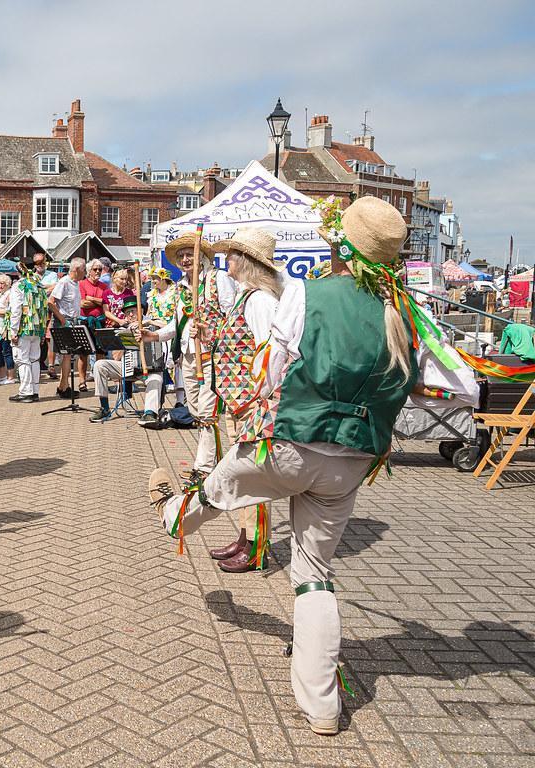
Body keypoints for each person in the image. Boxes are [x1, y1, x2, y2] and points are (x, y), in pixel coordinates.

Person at [147, 197, 478, 735]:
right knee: (313, 576)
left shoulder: (304, 292)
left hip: (289, 444)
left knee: (217, 488)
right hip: (350, 461)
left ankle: (172, 516)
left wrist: (230, 403)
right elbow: (463, 388)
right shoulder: (405, 313)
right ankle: (322, 706)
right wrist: (404, 387)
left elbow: (272, 371)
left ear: (337, 246)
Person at [203, 229, 283, 573]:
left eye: (233, 254)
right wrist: (208, 334)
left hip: (253, 403)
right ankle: (245, 536)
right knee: (244, 477)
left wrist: (261, 399)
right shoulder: (246, 297)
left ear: (247, 262)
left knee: (255, 477)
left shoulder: (262, 301)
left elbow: (272, 353)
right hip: (238, 401)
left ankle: (257, 547)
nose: (227, 260)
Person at [142, 233, 235, 475]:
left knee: (206, 412)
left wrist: (209, 331)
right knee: (195, 411)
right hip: (187, 356)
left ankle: (204, 468)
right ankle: (214, 461)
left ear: (202, 257)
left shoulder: (219, 279)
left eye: (189, 254)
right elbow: (177, 325)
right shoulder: (181, 287)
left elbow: (234, 318)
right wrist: (152, 336)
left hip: (211, 355)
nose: (185, 259)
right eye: (181, 256)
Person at [88, 295, 165, 423]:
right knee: (99, 365)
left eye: (133, 311)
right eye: (127, 312)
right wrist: (120, 341)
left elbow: (168, 327)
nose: (130, 314)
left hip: (150, 369)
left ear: (141, 311)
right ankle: (105, 408)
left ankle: (150, 413)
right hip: (128, 366)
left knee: (156, 378)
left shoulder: (152, 323)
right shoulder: (123, 328)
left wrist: (148, 322)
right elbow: (116, 357)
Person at [7, 257, 51, 403]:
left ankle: (26, 391)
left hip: (24, 328)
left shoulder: (19, 286)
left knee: (22, 359)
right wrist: (43, 330)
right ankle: (35, 391)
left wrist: (13, 331)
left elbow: (16, 310)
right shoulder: (39, 285)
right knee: (34, 360)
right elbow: (44, 310)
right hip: (37, 329)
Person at [49, 256, 85, 398]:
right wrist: (63, 319)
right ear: (76, 270)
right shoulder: (64, 282)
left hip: (73, 321)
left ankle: (64, 385)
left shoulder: (76, 283)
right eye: (83, 270)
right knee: (66, 355)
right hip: (65, 322)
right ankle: (64, 387)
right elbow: (51, 302)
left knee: (68, 355)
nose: (85, 273)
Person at [77, 260, 106, 388]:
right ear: (89, 271)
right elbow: (82, 303)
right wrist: (98, 302)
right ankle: (82, 381)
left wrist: (91, 298)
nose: (98, 272)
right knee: (83, 353)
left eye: (100, 269)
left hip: (100, 321)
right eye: (95, 269)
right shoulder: (82, 284)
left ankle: (99, 381)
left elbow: (105, 302)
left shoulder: (103, 286)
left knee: (100, 352)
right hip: (85, 321)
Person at [32, 252, 57, 376]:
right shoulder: (31, 276)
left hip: (49, 311)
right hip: (35, 312)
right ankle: (36, 365)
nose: (40, 264)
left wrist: (40, 288)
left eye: (42, 262)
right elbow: (31, 291)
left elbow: (55, 287)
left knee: (50, 339)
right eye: (37, 262)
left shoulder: (52, 274)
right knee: (36, 339)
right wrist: (46, 288)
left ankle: (51, 367)